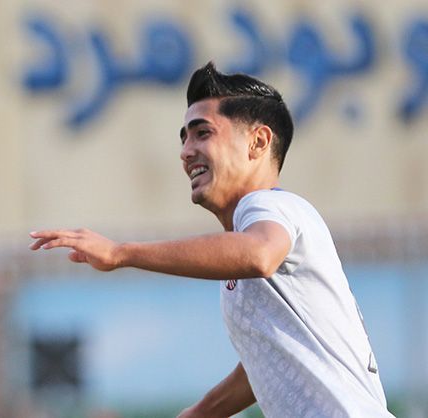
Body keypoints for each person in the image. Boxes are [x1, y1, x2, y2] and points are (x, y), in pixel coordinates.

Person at [29, 62, 392, 417]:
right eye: (184, 138)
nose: (186, 151)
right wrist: (202, 412)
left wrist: (120, 253)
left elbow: (260, 253)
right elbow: (268, 359)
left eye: (203, 133)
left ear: (258, 142)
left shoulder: (269, 205)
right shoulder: (244, 246)